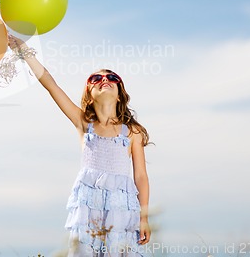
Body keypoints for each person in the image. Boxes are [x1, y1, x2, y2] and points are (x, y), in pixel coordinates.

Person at [8, 35, 152, 257]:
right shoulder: (83, 123)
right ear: (89, 94)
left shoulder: (132, 131)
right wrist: (24, 50)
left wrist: (143, 217)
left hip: (122, 211)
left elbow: (140, 176)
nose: (105, 79)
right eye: (96, 78)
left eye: (111, 77)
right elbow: (49, 83)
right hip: (87, 210)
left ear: (120, 92)